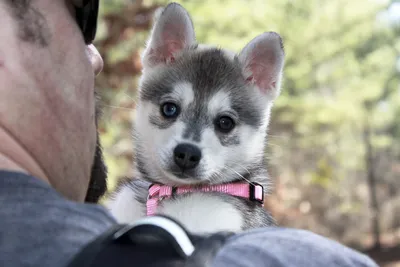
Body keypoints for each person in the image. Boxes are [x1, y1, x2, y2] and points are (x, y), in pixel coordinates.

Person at [0, 1, 379, 267]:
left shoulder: (229, 221)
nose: (190, 145)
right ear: (156, 59)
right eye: (170, 110)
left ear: (264, 85)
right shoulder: (126, 204)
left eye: (224, 123)